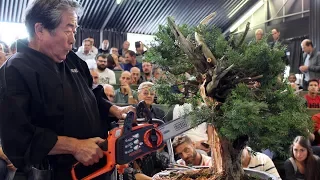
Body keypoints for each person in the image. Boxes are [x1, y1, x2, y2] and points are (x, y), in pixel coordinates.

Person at [0, 0, 134, 179]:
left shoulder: (71, 59)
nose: (73, 39)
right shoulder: (14, 70)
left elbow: (92, 93)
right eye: (68, 30)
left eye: (75, 30)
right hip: (53, 173)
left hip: (97, 166)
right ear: (40, 30)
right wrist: (75, 146)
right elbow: (18, 138)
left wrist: (117, 110)